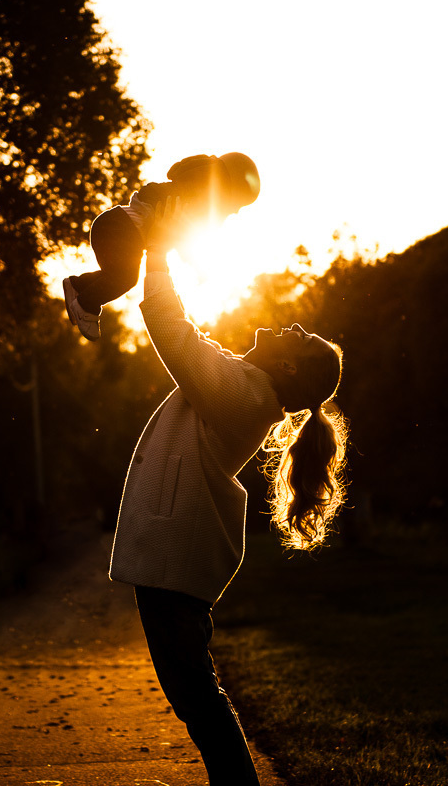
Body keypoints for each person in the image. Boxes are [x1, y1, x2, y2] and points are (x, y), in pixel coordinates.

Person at [107, 198, 348, 786]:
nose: (289, 325)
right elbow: (194, 338)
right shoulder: (245, 385)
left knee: (195, 694)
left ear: (290, 369)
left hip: (173, 563)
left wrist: (157, 248)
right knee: (194, 691)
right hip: (174, 562)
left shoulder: (244, 396)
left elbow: (171, 329)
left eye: (299, 335)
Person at [64, 152, 261, 341]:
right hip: (120, 230)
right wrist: (199, 267)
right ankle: (85, 305)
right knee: (126, 278)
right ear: (228, 189)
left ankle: (77, 286)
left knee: (118, 275)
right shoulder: (190, 203)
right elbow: (184, 238)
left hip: (114, 224)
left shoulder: (181, 191)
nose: (235, 211)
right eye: (238, 204)